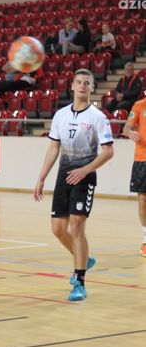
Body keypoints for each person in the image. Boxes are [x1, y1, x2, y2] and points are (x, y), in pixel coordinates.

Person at [33, 69, 114, 302]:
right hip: (64, 177)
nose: (82, 86)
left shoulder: (98, 117)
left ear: (91, 87)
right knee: (58, 229)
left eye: (86, 83)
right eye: (78, 82)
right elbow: (53, 148)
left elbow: (108, 152)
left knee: (77, 226)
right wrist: (41, 177)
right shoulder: (60, 115)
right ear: (72, 86)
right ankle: (84, 258)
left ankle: (79, 282)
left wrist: (85, 170)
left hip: (84, 178)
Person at [123, 99, 146, 257]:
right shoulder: (139, 105)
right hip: (141, 159)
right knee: (142, 199)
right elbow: (126, 128)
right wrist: (130, 133)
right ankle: (145, 238)